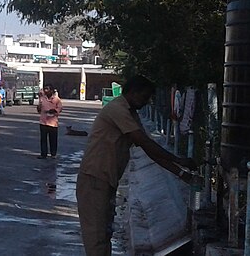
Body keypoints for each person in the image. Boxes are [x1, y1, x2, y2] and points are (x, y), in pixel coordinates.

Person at [76, 75, 198, 256]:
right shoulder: (117, 109)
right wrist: (178, 161)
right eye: (144, 96)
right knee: (96, 237)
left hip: (106, 180)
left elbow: (148, 148)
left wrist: (180, 173)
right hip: (94, 179)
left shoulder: (130, 112)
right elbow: (145, 143)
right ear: (132, 93)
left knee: (104, 234)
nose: (147, 101)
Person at [37, 84, 63, 159]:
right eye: (45, 89)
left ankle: (53, 154)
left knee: (53, 139)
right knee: (43, 139)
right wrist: (39, 103)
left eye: (47, 89)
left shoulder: (56, 99)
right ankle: (43, 154)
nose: (45, 91)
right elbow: (39, 109)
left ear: (51, 90)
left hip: (53, 122)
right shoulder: (42, 98)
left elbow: (60, 108)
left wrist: (54, 111)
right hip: (43, 121)